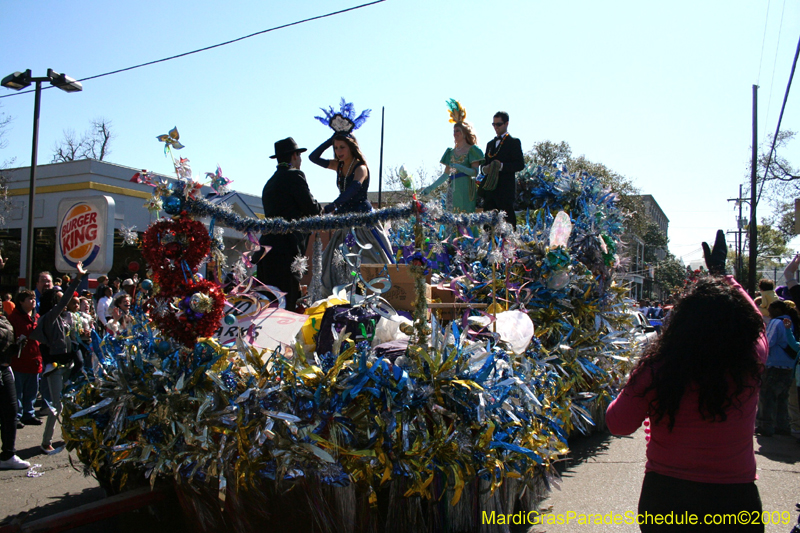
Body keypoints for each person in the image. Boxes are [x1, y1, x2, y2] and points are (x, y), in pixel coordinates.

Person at [606, 231, 766, 532]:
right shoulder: (750, 360)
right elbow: (755, 320)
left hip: (667, 497)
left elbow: (618, 424)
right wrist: (722, 276)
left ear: (679, 321)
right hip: (734, 498)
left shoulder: (657, 366)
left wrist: (629, 384)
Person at [309, 133, 394, 298]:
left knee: (362, 264)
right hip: (344, 224)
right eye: (336, 148)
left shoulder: (360, 167)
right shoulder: (338, 165)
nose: (338, 151)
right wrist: (331, 139)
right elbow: (313, 157)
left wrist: (335, 204)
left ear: (351, 147)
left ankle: (362, 299)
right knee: (332, 266)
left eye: (342, 147)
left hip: (362, 224)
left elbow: (354, 188)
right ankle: (339, 301)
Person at [257, 137, 322, 311]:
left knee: (268, 303)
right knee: (287, 303)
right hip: (286, 250)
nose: (300, 160)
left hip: (266, 250)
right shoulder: (295, 175)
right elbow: (311, 208)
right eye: (299, 156)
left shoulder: (269, 183)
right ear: (294, 156)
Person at [34, 262, 87, 455]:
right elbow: (66, 299)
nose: (62, 303)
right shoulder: (49, 317)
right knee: (56, 405)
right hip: (54, 367)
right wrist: (78, 278)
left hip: (66, 363)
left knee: (67, 402)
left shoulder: (64, 318)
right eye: (58, 300)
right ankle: (45, 441)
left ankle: (68, 435)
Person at [420, 101, 484, 213]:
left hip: (466, 188)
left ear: (465, 132)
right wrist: (431, 187)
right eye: (454, 131)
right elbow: (446, 174)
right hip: (453, 189)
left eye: (458, 131)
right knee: (453, 219)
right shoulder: (450, 152)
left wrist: (460, 167)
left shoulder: (473, 150)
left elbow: (474, 172)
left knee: (466, 219)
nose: (455, 133)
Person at [755, 300, 798, 437]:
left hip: (774, 364)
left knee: (767, 396)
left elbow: (769, 341)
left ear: (778, 310)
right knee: (783, 398)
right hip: (789, 364)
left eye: (771, 309)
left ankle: (765, 425)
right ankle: (783, 425)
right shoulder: (791, 321)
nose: (769, 311)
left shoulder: (776, 322)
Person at [479, 111, 525, 230]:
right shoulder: (490, 144)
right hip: (490, 190)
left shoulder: (513, 142)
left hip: (505, 190)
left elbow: (520, 164)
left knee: (508, 221)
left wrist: (501, 166)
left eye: (498, 124)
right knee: (487, 223)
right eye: (493, 124)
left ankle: (510, 246)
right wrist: (485, 169)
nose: (496, 127)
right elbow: (483, 164)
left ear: (506, 124)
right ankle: (487, 246)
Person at [8, 289, 41, 427]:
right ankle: (17, 416)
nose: (33, 301)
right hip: (19, 361)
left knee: (31, 391)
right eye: (29, 299)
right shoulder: (14, 319)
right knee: (18, 392)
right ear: (21, 302)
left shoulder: (36, 317)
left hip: (34, 360)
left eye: (34, 298)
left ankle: (29, 414)